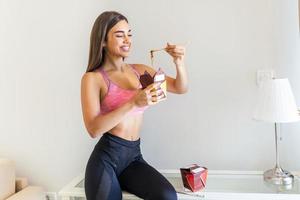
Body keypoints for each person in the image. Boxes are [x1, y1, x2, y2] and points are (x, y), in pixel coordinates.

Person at [81, 11, 188, 200]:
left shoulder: (140, 70)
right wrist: (132, 102)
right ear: (103, 41)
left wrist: (179, 63)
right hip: (106, 160)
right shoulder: (93, 78)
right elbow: (93, 129)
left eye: (129, 34)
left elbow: (180, 88)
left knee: (168, 197)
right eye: (119, 35)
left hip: (133, 157)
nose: (127, 40)